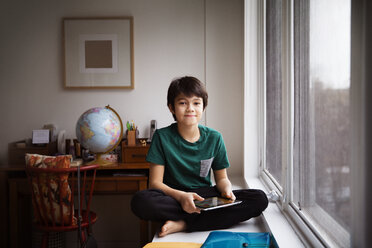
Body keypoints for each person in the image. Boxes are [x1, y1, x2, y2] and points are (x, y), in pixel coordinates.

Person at [131, 76, 268, 237]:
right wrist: (182, 197)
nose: (190, 108)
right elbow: (155, 183)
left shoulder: (214, 138)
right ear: (171, 108)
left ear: (203, 107)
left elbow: (222, 178)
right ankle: (201, 219)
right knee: (140, 201)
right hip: (173, 196)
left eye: (196, 103)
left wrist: (227, 190)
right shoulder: (162, 137)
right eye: (182, 103)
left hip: (204, 197)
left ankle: (183, 224)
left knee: (259, 198)